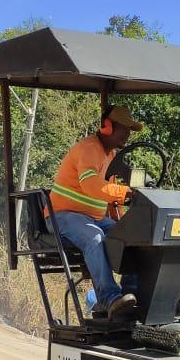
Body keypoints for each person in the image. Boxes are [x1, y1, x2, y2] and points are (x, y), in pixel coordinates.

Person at [50, 104, 142, 320]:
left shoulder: (110, 155)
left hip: (94, 218)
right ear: (108, 126)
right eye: (124, 128)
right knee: (95, 237)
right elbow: (91, 185)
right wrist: (126, 193)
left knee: (131, 236)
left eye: (130, 129)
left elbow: (109, 198)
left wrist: (124, 213)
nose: (128, 134)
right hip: (63, 215)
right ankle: (109, 299)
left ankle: (133, 292)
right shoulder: (88, 149)